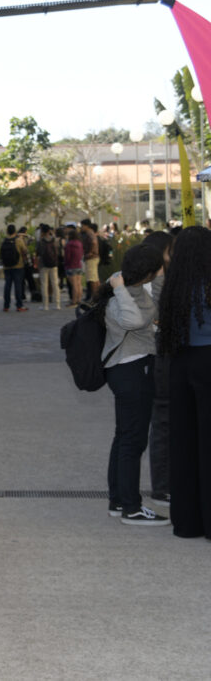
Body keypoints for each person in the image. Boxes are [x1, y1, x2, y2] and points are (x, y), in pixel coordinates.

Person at [98, 244, 167, 526]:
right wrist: (120, 289)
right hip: (131, 370)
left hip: (130, 368)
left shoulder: (128, 286)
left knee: (124, 436)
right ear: (147, 272)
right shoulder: (121, 291)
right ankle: (131, 507)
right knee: (132, 441)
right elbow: (133, 319)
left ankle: (118, 500)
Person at [157, 227, 211, 539]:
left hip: (180, 363)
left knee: (184, 442)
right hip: (208, 362)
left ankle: (187, 522)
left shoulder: (174, 285)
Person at [142, 230, 173, 507]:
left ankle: (162, 485)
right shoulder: (160, 282)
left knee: (158, 420)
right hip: (160, 355)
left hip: (143, 358)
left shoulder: (136, 279)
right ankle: (163, 486)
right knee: (163, 419)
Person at [1, 224, 29, 312]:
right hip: (18, 266)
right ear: (15, 231)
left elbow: (0, 253)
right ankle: (19, 305)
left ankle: (6, 306)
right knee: (18, 286)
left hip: (7, 267)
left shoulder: (4, 241)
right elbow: (25, 251)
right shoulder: (19, 240)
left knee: (7, 286)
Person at [37, 224, 60, 310]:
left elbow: (38, 254)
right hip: (54, 264)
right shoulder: (54, 240)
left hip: (43, 265)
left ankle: (45, 305)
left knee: (44, 284)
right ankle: (57, 304)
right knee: (55, 284)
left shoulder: (40, 241)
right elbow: (57, 251)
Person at [63, 227, 84, 308]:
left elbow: (67, 257)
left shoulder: (69, 245)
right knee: (79, 284)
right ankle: (79, 299)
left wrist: (65, 264)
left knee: (74, 285)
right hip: (78, 265)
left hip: (71, 266)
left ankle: (74, 301)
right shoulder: (79, 243)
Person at [80, 219, 100, 302]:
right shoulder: (90, 233)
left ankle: (94, 297)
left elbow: (94, 242)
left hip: (91, 258)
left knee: (92, 279)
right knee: (94, 278)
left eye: (82, 226)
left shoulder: (89, 233)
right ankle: (97, 296)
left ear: (86, 226)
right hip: (93, 257)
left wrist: (91, 253)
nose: (81, 227)